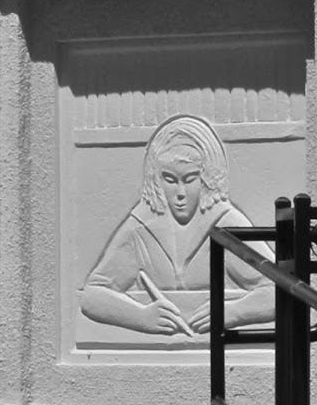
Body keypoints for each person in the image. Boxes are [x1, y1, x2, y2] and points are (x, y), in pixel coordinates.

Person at [79, 114, 273, 338]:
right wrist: (141, 317)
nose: (180, 194)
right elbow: (93, 295)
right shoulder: (140, 226)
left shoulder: (227, 223)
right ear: (156, 179)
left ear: (208, 178)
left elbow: (279, 291)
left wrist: (234, 312)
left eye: (190, 180)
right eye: (170, 180)